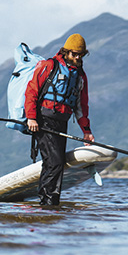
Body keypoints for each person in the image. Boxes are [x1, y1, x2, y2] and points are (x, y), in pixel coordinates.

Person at [24, 33, 94, 206]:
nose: (77, 57)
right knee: (55, 162)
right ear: (65, 51)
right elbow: (31, 92)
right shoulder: (49, 66)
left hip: (62, 121)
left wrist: (87, 131)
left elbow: (81, 106)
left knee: (55, 163)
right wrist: (31, 118)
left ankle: (49, 203)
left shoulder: (80, 75)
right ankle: (48, 203)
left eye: (81, 55)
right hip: (43, 120)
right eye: (74, 54)